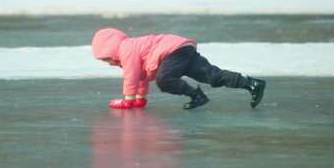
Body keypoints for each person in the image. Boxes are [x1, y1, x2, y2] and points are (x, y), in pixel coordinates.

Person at [91, 28, 266, 110]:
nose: (109, 63)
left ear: (110, 48)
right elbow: (142, 77)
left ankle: (197, 95)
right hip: (183, 48)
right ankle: (251, 84)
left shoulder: (126, 49)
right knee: (212, 76)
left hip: (173, 51)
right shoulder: (130, 49)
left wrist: (128, 99)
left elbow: (132, 75)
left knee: (164, 80)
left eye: (107, 58)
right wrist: (140, 98)